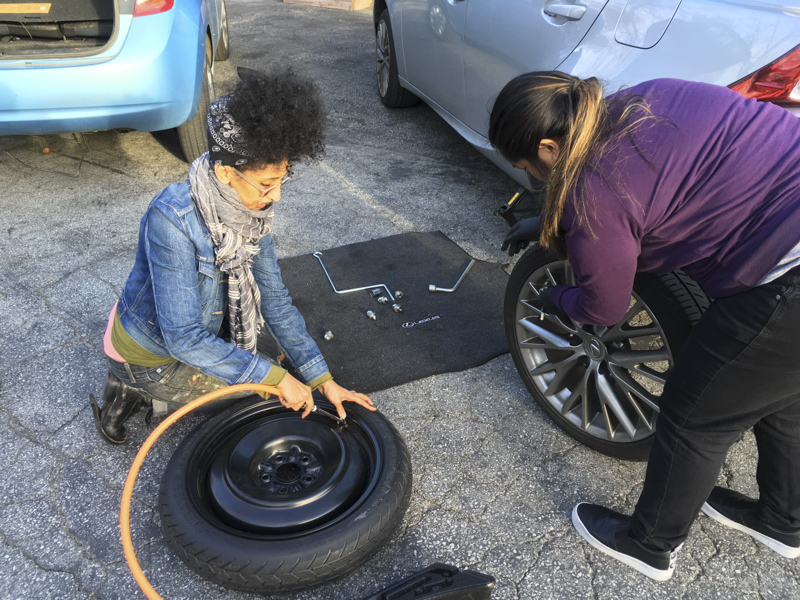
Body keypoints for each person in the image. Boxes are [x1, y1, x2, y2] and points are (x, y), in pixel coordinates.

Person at [489, 71, 800, 580]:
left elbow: (605, 306)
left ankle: (650, 545)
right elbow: (649, 201)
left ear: (548, 145)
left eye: (530, 168)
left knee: (695, 417)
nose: (536, 180)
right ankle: (784, 521)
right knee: (781, 394)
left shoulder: (594, 193)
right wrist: (560, 223)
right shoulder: (650, 96)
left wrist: (560, 296)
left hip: (788, 277)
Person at [91, 67, 375, 445]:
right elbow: (184, 339)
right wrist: (273, 380)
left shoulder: (251, 213)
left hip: (189, 329)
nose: (276, 197)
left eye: (283, 179)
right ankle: (130, 391)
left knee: (274, 367)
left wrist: (322, 379)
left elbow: (274, 301)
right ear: (225, 173)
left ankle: (160, 388)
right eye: (267, 184)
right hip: (150, 354)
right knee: (260, 390)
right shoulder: (171, 219)